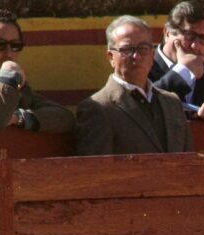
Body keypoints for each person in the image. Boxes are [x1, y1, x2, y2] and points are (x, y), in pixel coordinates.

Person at [75, 15, 193, 156]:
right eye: (127, 49)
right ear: (111, 57)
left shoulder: (172, 103)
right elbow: (96, 172)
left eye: (142, 49)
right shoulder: (98, 107)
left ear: (152, 55)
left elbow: (189, 162)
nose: (136, 56)